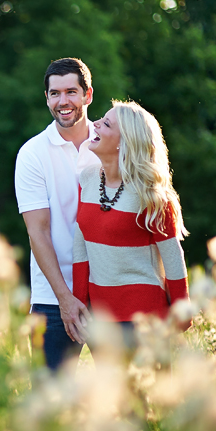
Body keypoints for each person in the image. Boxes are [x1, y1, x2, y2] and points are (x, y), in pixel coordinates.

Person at [72, 100, 189, 347]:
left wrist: (181, 309)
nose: (95, 125)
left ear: (123, 142)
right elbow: (80, 246)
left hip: (145, 320)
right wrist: (79, 302)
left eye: (105, 124)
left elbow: (172, 255)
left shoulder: (152, 194)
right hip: (100, 319)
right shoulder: (88, 179)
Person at [15, 57, 101, 371]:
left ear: (88, 95)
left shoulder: (113, 142)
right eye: (54, 94)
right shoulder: (33, 154)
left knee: (129, 398)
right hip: (53, 297)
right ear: (47, 98)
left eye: (71, 92)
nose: (62, 101)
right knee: (48, 407)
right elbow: (37, 232)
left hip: (110, 289)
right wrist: (65, 298)